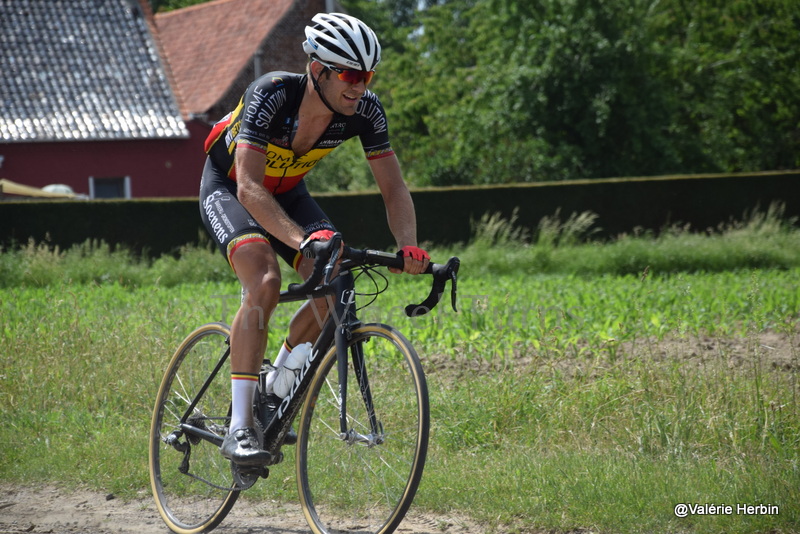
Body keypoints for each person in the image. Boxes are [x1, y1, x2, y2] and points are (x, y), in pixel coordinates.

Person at [199, 12, 430, 466]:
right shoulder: (271, 93)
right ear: (318, 69)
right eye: (349, 74)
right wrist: (302, 241)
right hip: (231, 188)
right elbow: (249, 187)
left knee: (335, 286)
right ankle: (239, 426)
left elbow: (394, 188)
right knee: (264, 280)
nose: (359, 86)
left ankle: (277, 385)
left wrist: (408, 245)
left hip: (288, 192)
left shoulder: (365, 110)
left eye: (367, 76)